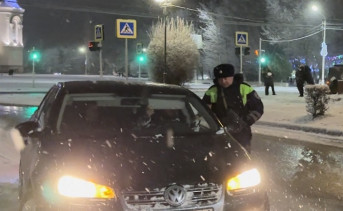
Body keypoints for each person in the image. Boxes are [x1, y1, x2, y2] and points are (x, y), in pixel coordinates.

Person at [202, 64, 264, 153]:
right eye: (220, 79)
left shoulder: (244, 88)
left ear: (232, 77)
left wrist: (245, 122)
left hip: (242, 134)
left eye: (226, 78)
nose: (223, 81)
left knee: (243, 161)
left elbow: (258, 108)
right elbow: (205, 112)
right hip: (220, 134)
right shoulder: (212, 91)